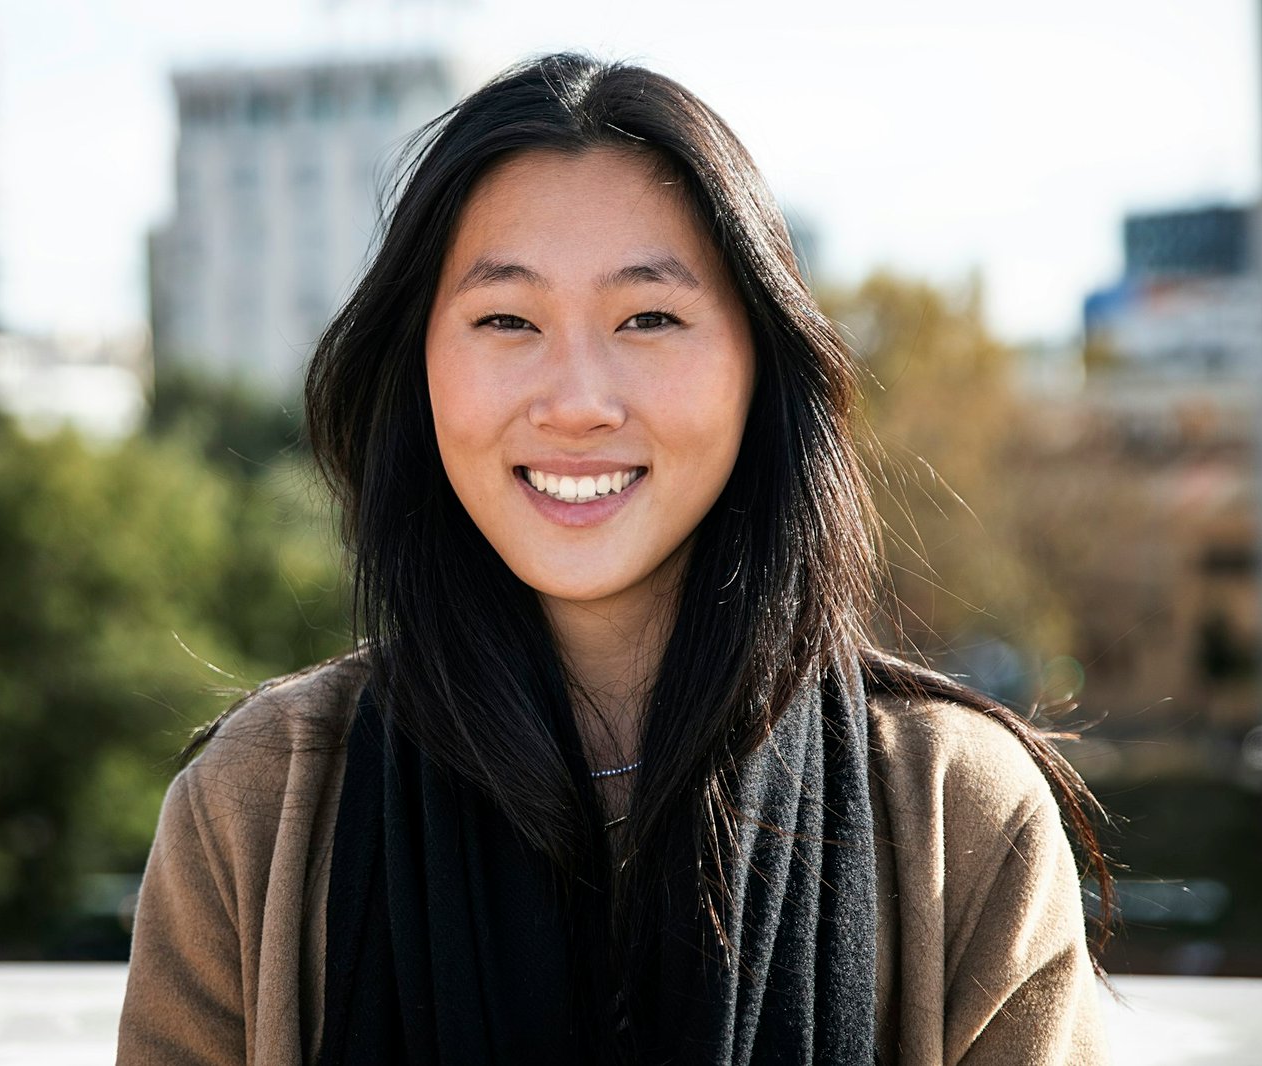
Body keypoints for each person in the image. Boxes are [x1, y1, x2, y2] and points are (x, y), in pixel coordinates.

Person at [117, 53, 1111, 1066]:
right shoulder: (259, 808)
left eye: (649, 318)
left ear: (757, 366)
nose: (578, 399)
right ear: (418, 367)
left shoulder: (955, 812)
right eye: (506, 319)